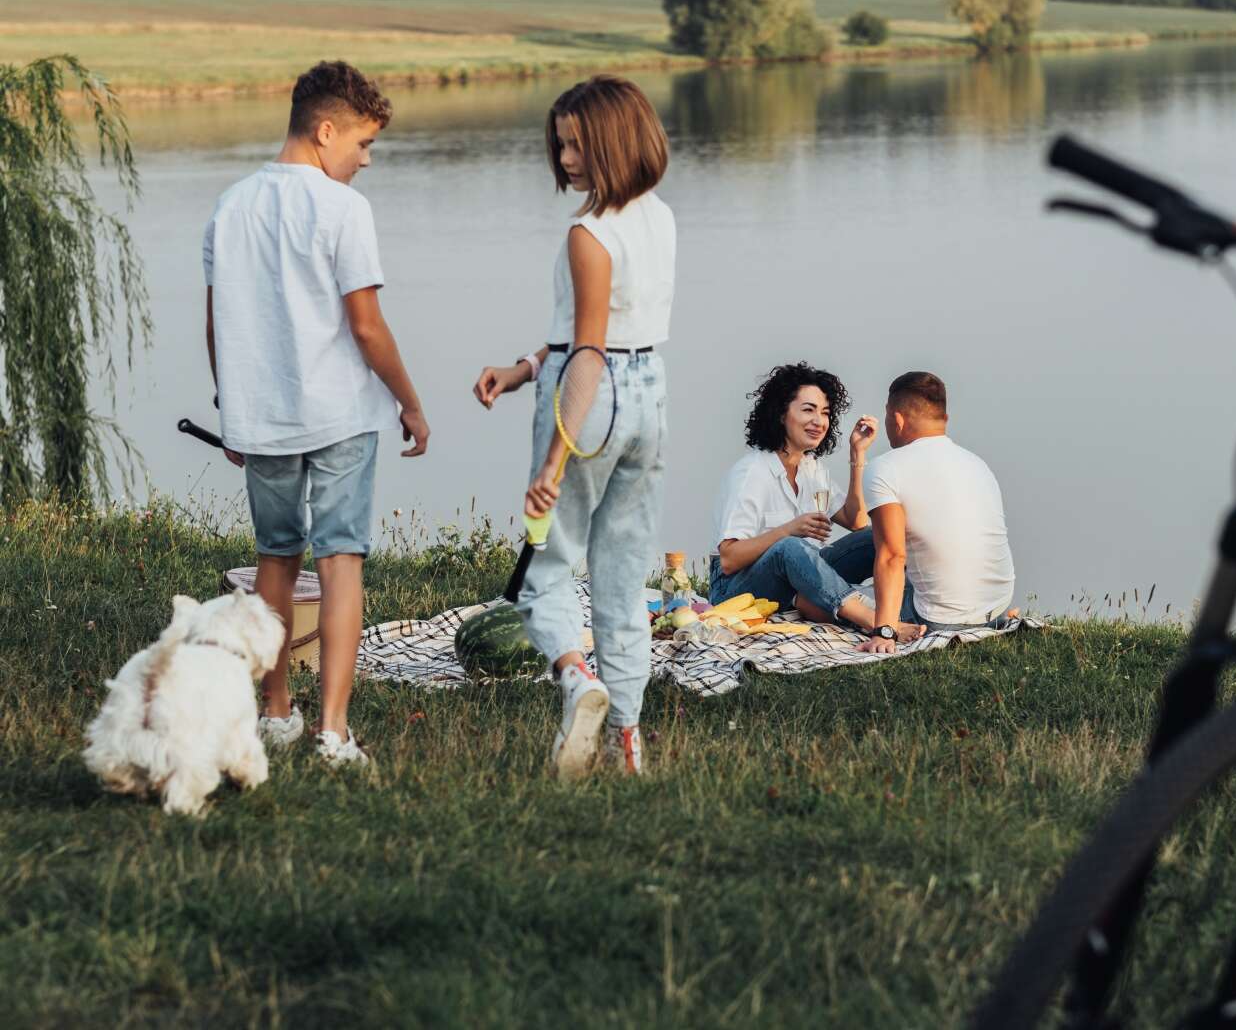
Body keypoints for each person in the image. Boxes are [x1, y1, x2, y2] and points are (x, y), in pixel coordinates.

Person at [204, 60, 430, 766]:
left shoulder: (231, 205)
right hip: (340, 416)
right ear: (325, 130)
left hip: (262, 416)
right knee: (339, 561)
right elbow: (366, 326)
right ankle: (333, 731)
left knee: (274, 558)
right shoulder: (342, 210)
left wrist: (231, 406)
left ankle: (276, 712)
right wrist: (410, 401)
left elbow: (216, 326)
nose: (365, 161)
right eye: (362, 144)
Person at [474, 75, 673, 778]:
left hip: (592, 397)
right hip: (649, 394)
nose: (564, 160)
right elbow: (601, 333)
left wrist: (555, 462)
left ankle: (575, 678)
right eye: (560, 145)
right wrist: (525, 367)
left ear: (615, 142)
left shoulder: (588, 235)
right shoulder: (659, 218)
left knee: (544, 572)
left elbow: (588, 353)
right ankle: (629, 743)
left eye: (578, 145)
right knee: (622, 578)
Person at [709, 363, 924, 641]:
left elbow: (856, 520)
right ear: (781, 413)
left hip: (803, 570)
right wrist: (789, 529)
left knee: (880, 535)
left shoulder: (812, 467)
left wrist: (857, 454)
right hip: (735, 587)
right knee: (789, 547)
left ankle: (918, 607)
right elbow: (728, 559)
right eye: (808, 410)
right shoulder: (752, 473)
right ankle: (876, 622)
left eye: (825, 413)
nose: (820, 421)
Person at [857, 372, 1015, 655]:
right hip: (995, 609)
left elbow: (892, 556)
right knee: (870, 538)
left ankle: (812, 595)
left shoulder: (885, 468)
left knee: (802, 563)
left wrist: (884, 631)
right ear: (945, 419)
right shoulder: (977, 464)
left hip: (939, 620)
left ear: (897, 419)